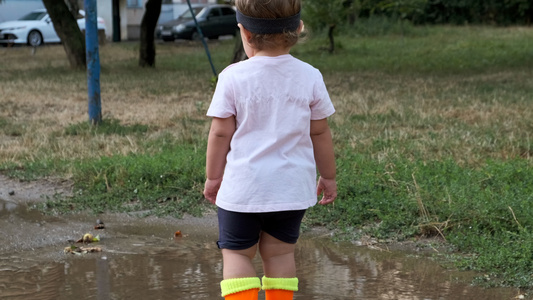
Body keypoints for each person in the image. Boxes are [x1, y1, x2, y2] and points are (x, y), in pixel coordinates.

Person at [203, 0, 337, 299]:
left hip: (242, 191)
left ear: (245, 33)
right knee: (279, 256)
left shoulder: (232, 77)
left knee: (237, 255)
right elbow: (320, 132)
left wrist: (213, 178)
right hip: (291, 191)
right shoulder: (310, 75)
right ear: (299, 28)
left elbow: (220, 132)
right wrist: (328, 177)